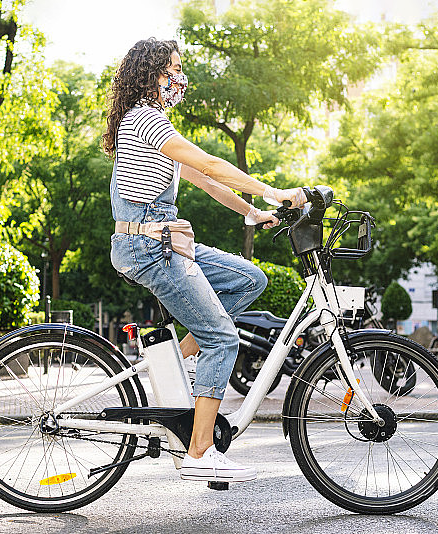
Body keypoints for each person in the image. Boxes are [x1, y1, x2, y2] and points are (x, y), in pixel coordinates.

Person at [102, 38, 306, 483]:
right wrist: (272, 190)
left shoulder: (152, 124)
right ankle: (199, 451)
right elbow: (212, 163)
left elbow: (205, 180)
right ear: (151, 74)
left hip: (163, 243)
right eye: (173, 69)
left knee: (248, 279)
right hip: (148, 247)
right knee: (223, 339)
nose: (179, 77)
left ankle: (179, 360)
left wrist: (251, 211)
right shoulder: (145, 119)